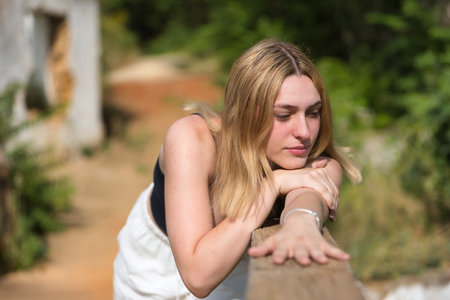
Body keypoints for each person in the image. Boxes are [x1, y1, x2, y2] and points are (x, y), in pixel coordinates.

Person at [113, 38, 362, 300]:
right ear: (246, 112)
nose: (304, 132)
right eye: (284, 115)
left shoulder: (319, 164)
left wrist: (301, 224)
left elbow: (304, 206)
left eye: (313, 113)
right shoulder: (193, 140)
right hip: (154, 264)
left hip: (234, 267)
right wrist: (272, 185)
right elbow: (197, 276)